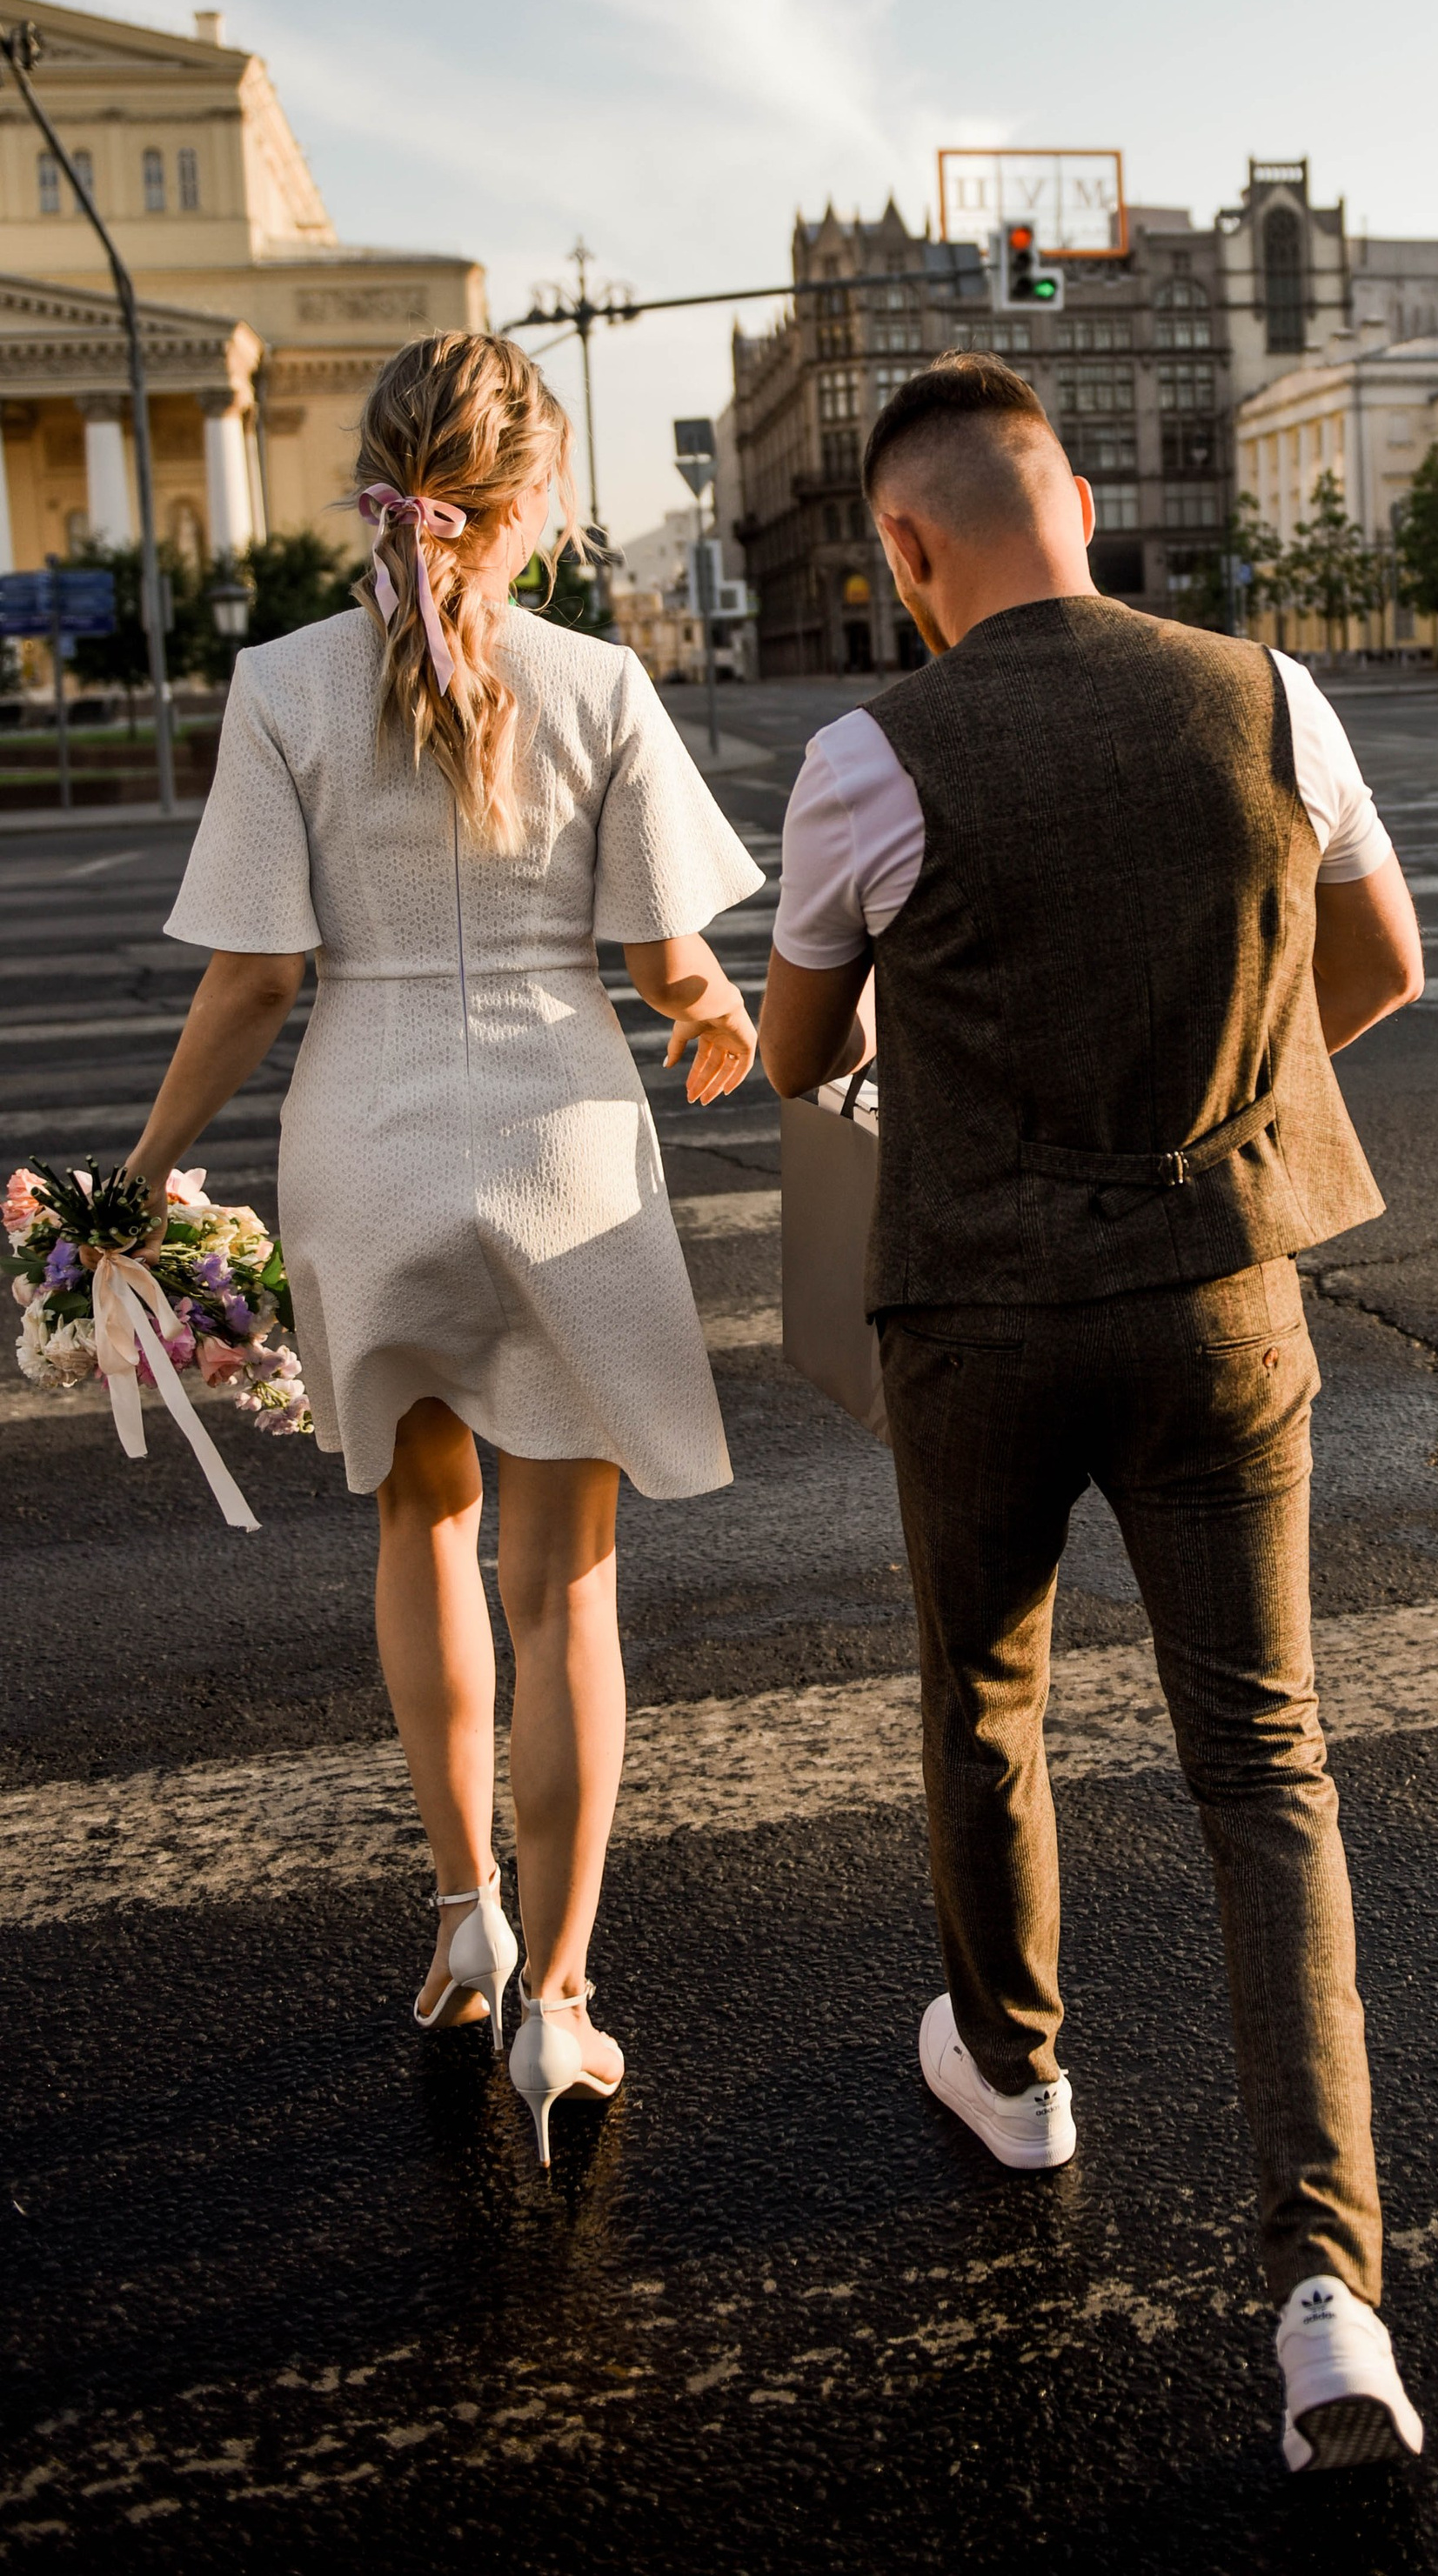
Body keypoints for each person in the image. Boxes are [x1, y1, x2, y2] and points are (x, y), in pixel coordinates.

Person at [759, 353, 1428, 2473]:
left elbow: (797, 1056)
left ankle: (1018, 2072)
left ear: (906, 545)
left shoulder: (868, 756)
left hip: (978, 1319)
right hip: (1222, 1300)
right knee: (1266, 1765)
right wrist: (1221, 1111)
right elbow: (1381, 965)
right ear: (1072, 501)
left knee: (984, 1693)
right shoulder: (1269, 697)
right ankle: (1328, 2305)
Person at [126, 331, 763, 2165]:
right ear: (535, 501)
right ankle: (559, 2002)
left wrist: (142, 1176)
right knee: (567, 1591)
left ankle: (465, 1919)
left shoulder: (281, 685)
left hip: (369, 1140)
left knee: (423, 1527)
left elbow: (255, 981)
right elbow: (669, 965)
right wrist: (717, 1015)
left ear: (377, 486)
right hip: (562, 1142)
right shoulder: (599, 683)